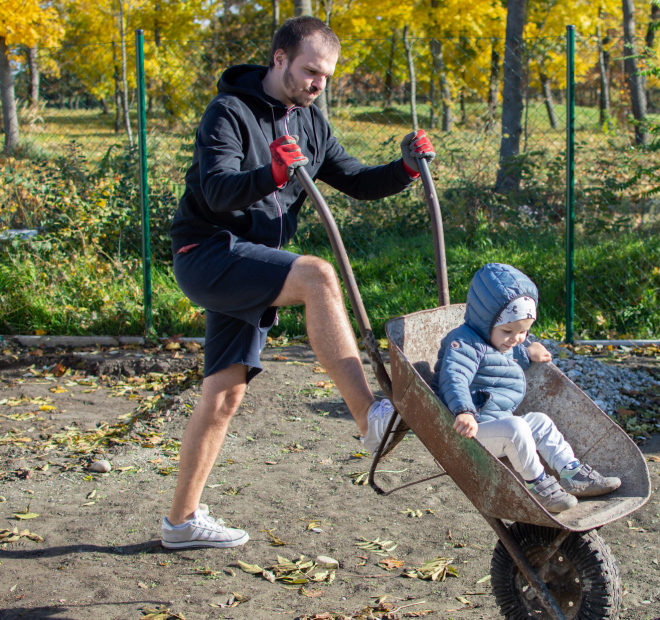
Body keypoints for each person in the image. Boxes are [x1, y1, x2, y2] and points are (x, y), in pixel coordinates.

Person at [161, 16, 434, 549]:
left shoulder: (309, 123)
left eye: (326, 77)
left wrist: (404, 167)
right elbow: (216, 191)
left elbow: (354, 180)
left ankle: (181, 523)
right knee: (316, 275)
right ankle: (370, 418)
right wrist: (272, 175)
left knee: (223, 395)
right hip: (207, 252)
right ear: (279, 59)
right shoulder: (229, 112)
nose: (318, 84)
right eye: (311, 71)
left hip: (252, 262)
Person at [431, 263, 621, 513]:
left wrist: (526, 349)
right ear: (484, 321)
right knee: (516, 426)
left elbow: (501, 354)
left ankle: (572, 473)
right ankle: (538, 484)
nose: (516, 338)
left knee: (540, 421)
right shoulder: (464, 343)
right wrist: (463, 411)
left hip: (495, 423)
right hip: (468, 431)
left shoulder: (498, 341)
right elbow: (453, 377)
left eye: (524, 331)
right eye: (509, 331)